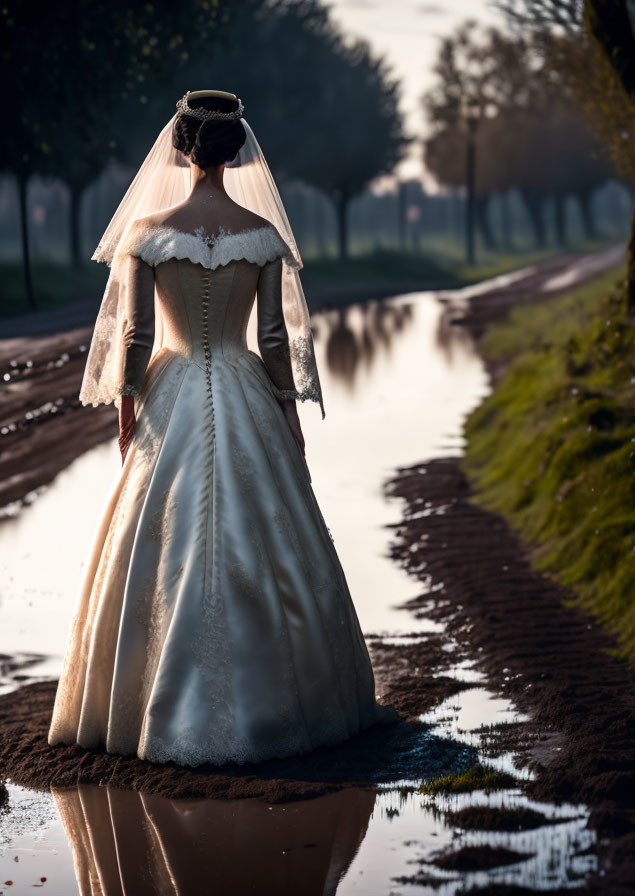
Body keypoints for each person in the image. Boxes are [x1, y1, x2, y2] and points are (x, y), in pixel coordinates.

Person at [48, 89, 395, 767]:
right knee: (271, 538)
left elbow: (138, 337)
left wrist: (128, 413)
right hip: (243, 388)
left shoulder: (146, 234)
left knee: (158, 544)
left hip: (173, 393)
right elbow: (272, 339)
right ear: (236, 153)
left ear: (181, 148)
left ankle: (143, 704)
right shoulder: (263, 237)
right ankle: (283, 705)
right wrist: (289, 420)